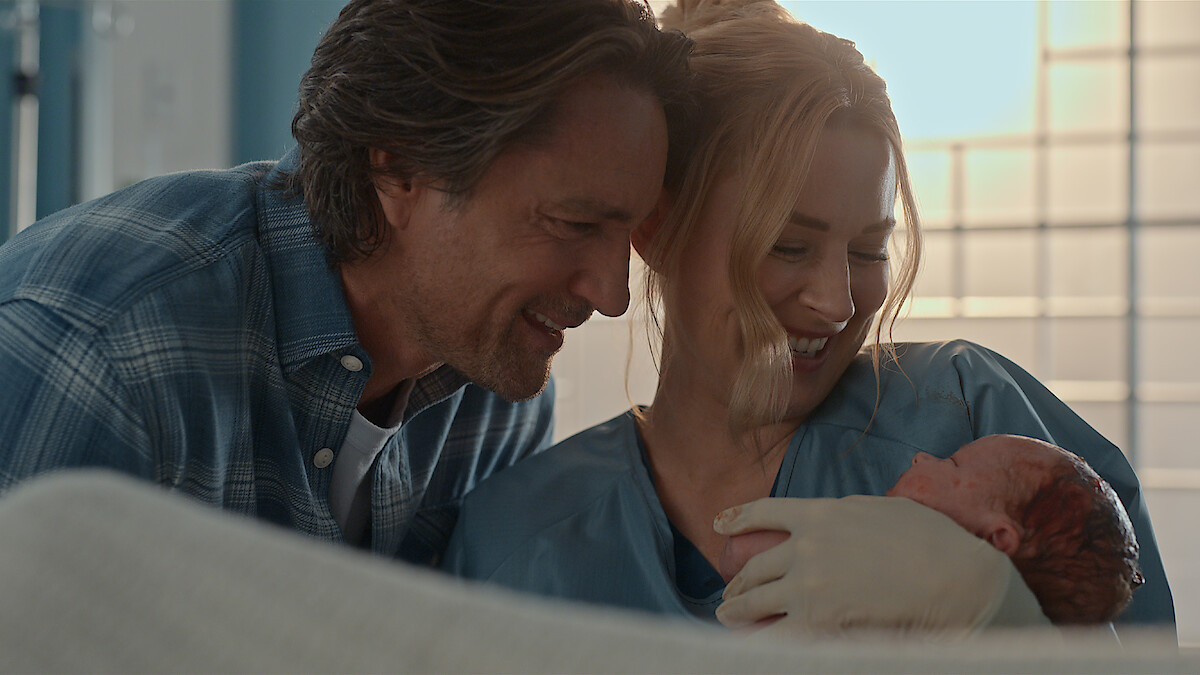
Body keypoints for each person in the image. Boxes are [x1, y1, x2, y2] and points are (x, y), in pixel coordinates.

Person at [441, 0, 1176, 638]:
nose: (837, 302)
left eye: (868, 249)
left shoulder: (972, 422)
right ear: (658, 230)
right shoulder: (514, 537)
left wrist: (998, 626)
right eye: (787, 245)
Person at [0, 0, 693, 562]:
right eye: (573, 223)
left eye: (625, 234)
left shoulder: (495, 387)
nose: (612, 295)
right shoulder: (105, 351)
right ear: (398, 171)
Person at [718, 435, 1145, 625]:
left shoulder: (893, 548)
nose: (922, 456)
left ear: (995, 540)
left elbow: (742, 551)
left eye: (953, 464)